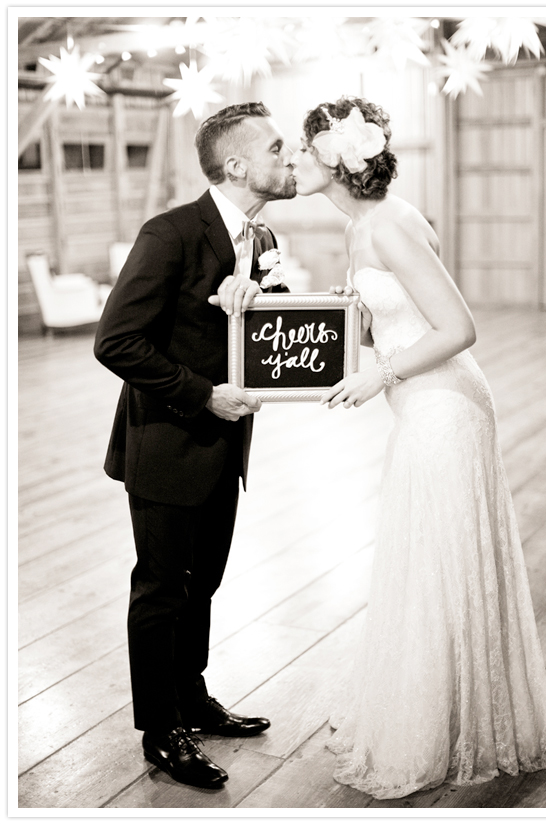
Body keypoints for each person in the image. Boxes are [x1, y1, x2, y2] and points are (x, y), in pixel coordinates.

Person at [291, 96, 546, 800]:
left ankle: (444, 726)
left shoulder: (389, 227)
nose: (293, 161)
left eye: (301, 150)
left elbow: (457, 327)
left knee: (438, 556)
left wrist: (377, 374)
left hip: (444, 406)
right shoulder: (361, 227)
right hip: (418, 403)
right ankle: (440, 707)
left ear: (333, 162)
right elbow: (382, 321)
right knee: (427, 554)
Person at [94, 101, 295, 790]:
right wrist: (202, 392)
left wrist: (273, 299)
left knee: (202, 582)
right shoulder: (170, 232)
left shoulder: (261, 238)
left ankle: (192, 698)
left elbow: (265, 322)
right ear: (237, 164)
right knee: (160, 588)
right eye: (277, 149)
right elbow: (115, 340)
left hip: (223, 446)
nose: (288, 158)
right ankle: (159, 729)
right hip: (166, 440)